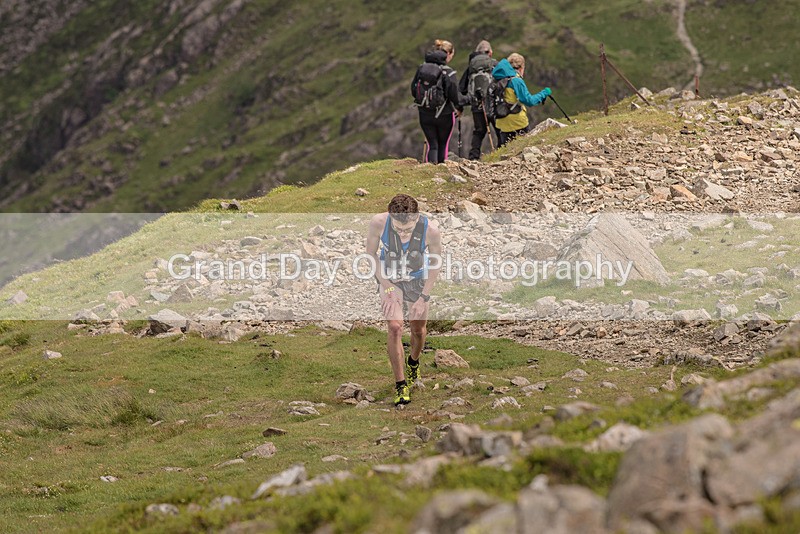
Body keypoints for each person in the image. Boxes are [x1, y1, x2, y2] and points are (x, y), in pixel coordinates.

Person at [366, 194, 442, 406]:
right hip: (391, 279)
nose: (402, 234)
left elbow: (436, 263)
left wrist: (424, 297)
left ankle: (413, 362)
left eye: (407, 230)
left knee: (418, 330)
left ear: (416, 218)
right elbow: (370, 255)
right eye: (398, 229)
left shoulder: (431, 230)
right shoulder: (378, 223)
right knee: (395, 327)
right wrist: (386, 285)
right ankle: (400, 384)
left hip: (418, 280)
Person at [410, 39, 465, 164]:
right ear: (449, 54)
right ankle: (440, 169)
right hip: (444, 114)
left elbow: (413, 89)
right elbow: (454, 96)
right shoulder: (449, 72)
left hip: (424, 113)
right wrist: (462, 104)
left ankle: (431, 171)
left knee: (432, 144)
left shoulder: (422, 68)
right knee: (442, 144)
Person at [491, 53, 552, 146]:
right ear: (520, 68)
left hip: (501, 122)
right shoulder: (516, 80)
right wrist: (544, 93)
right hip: (518, 123)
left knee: (504, 150)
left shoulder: (498, 78)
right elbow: (529, 101)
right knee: (525, 148)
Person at [458, 40, 498, 160]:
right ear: (490, 52)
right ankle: (502, 151)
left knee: (479, 131)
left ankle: (473, 157)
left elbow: (462, 88)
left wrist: (460, 107)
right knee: (499, 129)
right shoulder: (495, 64)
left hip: (477, 105)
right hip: (494, 105)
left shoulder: (471, 67)